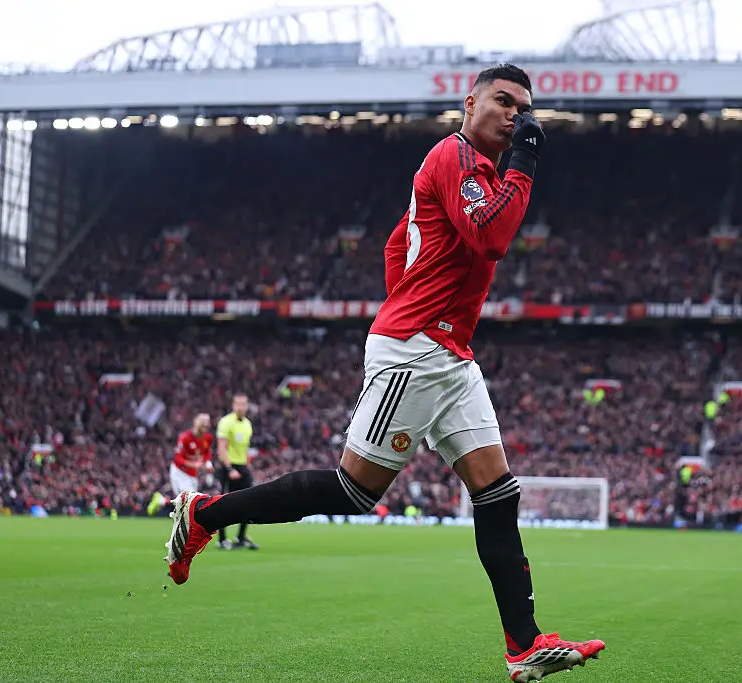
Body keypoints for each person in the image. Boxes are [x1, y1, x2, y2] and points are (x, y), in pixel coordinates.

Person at [163, 64, 604, 681]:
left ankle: (525, 645)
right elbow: (491, 238)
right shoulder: (455, 157)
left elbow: (399, 243)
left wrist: (412, 297)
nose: (515, 116)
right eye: (503, 102)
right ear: (470, 103)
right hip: (418, 350)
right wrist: (525, 164)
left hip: (449, 354)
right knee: (354, 491)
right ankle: (204, 514)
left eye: (523, 108)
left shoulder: (473, 173)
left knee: (498, 494)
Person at [214, 394, 258, 550]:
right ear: (233, 405)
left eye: (243, 404)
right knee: (225, 503)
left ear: (247, 406)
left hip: (242, 466)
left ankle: (241, 537)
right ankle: (222, 539)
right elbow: (221, 448)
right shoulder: (226, 422)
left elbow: (244, 449)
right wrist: (229, 468)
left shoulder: (247, 424)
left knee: (250, 501)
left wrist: (246, 466)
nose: (241, 407)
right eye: (238, 404)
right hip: (228, 467)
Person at [169, 413, 214, 497]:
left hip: (193, 475)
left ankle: (162, 501)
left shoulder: (208, 438)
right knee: (186, 499)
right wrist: (193, 464)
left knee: (189, 500)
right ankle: (163, 501)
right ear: (196, 423)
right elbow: (177, 457)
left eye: (207, 423)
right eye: (203, 423)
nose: (206, 425)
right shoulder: (185, 437)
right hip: (180, 473)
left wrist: (206, 463)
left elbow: (207, 453)